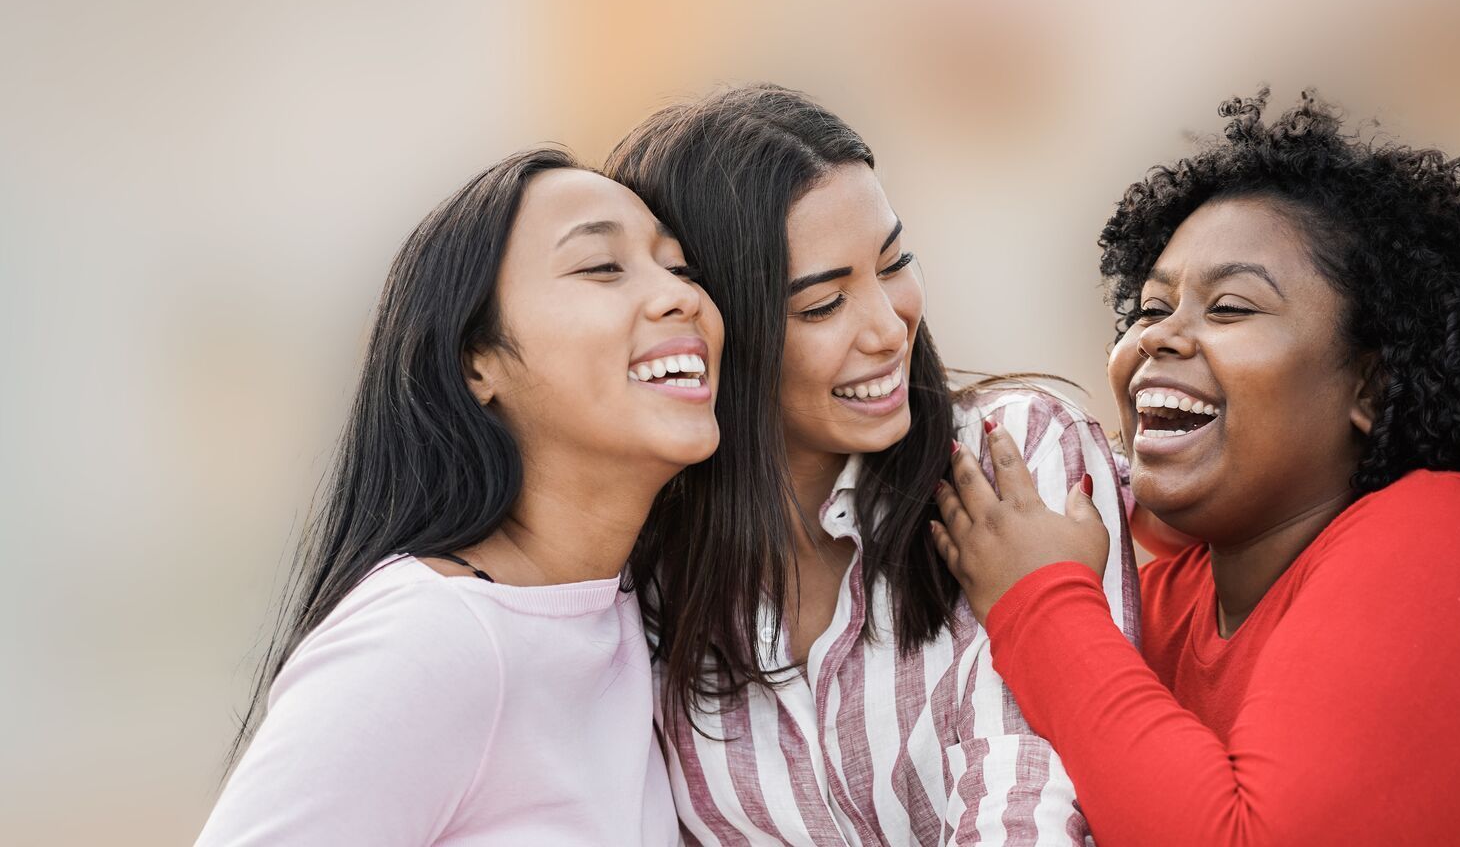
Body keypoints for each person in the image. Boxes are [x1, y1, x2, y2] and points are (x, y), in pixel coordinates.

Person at [931, 90, 1460, 845]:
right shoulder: (1154, 604)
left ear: (1370, 389)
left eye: (1231, 309)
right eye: (1150, 310)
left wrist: (1041, 602)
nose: (1160, 339)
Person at [606, 84, 1138, 845]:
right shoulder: (647, 581)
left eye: (895, 263)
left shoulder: (1013, 457)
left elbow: (1031, 802)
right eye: (823, 305)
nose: (890, 328)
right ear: (712, 328)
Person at [197, 150, 722, 845]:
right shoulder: (431, 637)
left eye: (680, 267)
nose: (680, 295)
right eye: (601, 267)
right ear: (479, 360)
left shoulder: (638, 612)